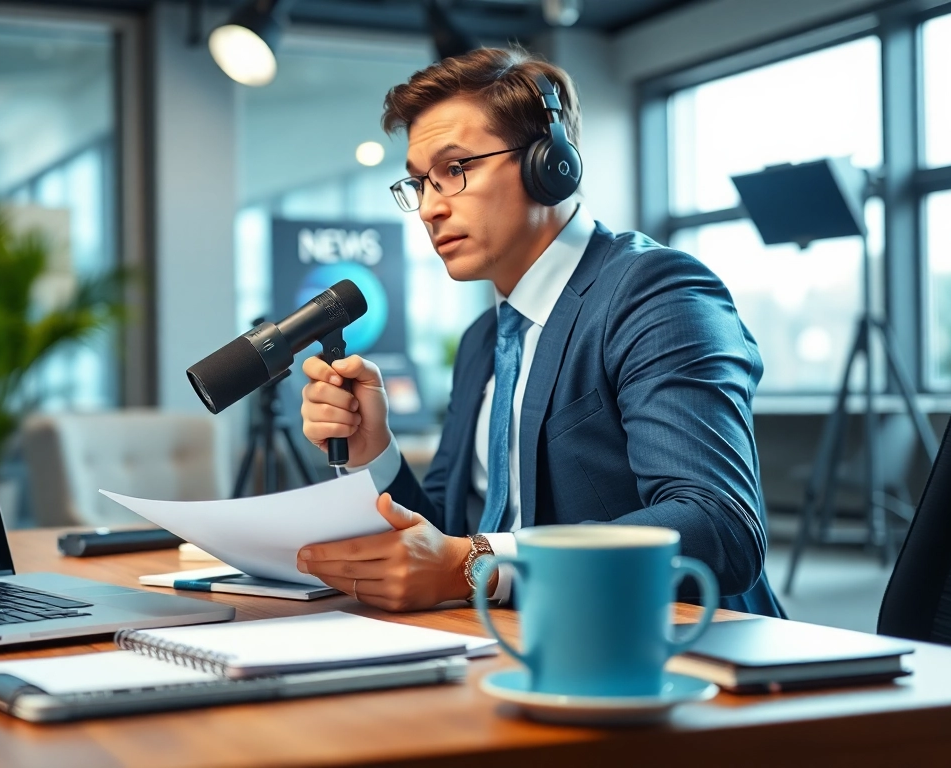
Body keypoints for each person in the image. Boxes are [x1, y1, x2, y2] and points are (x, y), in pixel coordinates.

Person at [295, 46, 784, 618]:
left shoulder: (657, 293)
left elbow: (715, 524)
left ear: (549, 166)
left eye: (454, 171)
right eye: (419, 184)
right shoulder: (484, 339)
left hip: (669, 648)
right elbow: (447, 539)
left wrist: (477, 564)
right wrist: (373, 449)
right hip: (513, 639)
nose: (429, 208)